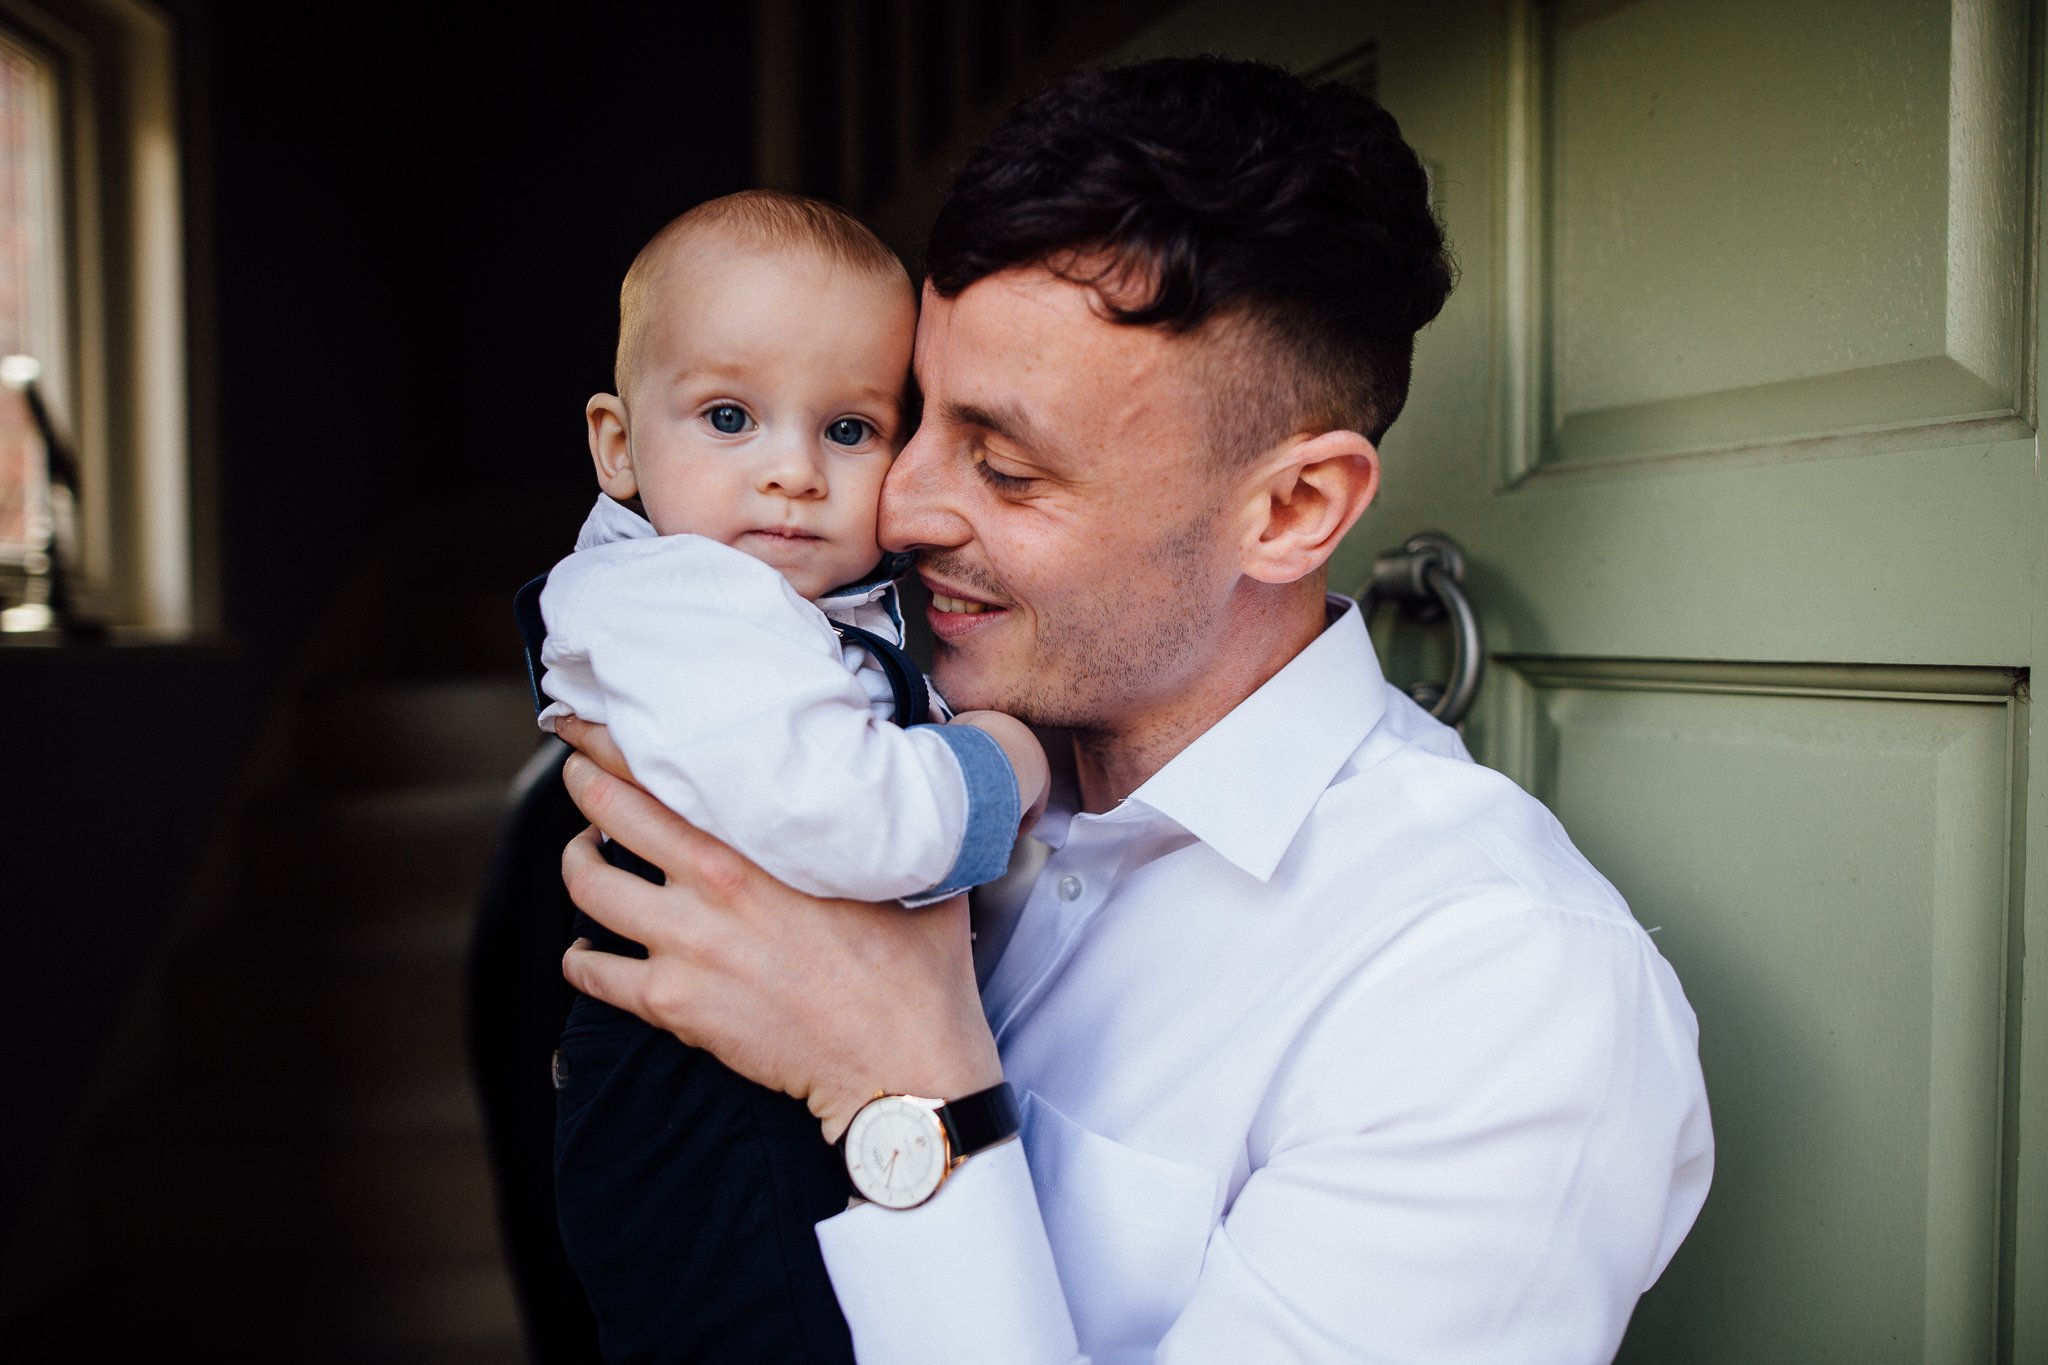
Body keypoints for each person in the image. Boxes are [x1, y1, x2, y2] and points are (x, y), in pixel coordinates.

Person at [555, 57, 1714, 1363]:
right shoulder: (850, 700)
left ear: (1289, 512)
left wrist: (901, 1078)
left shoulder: (1498, 1001)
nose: (898, 505)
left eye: (1004, 463)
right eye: (907, 420)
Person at [529, 190, 1048, 1362]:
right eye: (728, 415)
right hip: (700, 1101)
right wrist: (1004, 765)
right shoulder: (679, 602)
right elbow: (852, 819)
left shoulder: (772, 598)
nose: (792, 474)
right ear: (617, 445)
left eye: (849, 430)